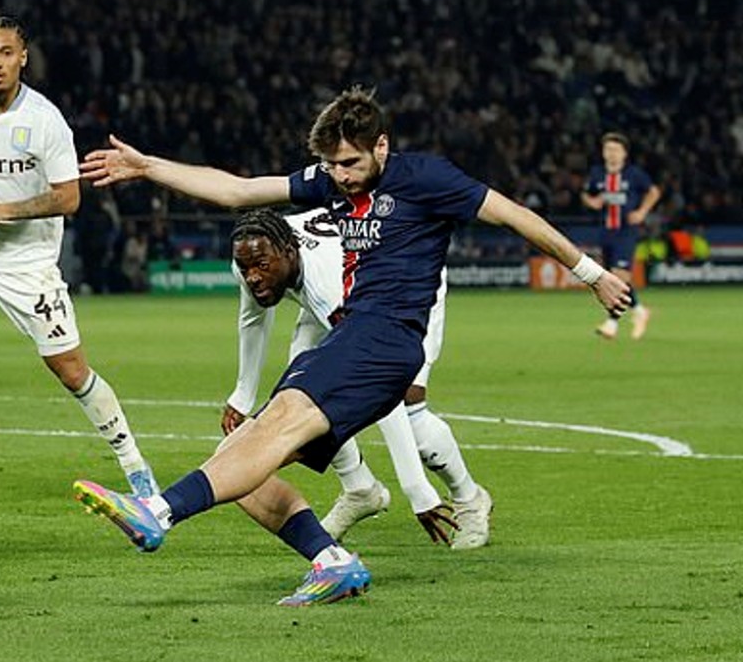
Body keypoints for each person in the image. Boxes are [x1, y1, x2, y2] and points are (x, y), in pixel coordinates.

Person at [73, 86, 631, 606]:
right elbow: (238, 191)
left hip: (386, 337)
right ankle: (330, 560)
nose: (339, 176)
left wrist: (592, 275)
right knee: (241, 458)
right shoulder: (329, 179)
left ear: (380, 146)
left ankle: (158, 512)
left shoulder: (426, 178)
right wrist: (147, 167)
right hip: (354, 335)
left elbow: (516, 216)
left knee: (275, 427)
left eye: (350, 163)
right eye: (332, 164)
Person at [0, 15, 158, 494]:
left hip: (29, 267)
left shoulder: (45, 120)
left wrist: (2, 210)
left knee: (72, 372)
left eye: (5, 53)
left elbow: (69, 197)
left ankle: (135, 467)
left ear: (23, 58)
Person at [224, 207, 492, 549]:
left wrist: (417, 489)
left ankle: (469, 499)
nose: (252, 277)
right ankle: (360, 488)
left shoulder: (323, 283)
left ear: (288, 252)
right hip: (348, 286)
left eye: (261, 267)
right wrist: (243, 394)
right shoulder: (252, 250)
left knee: (408, 401)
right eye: (246, 268)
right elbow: (253, 318)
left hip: (408, 283)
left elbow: (382, 384)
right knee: (302, 395)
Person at [580, 133, 661, 340]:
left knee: (619, 276)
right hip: (606, 231)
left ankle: (612, 323)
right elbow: (586, 193)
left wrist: (642, 212)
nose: (611, 154)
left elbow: (653, 192)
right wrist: (592, 202)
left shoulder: (634, 174)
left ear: (624, 153)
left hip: (626, 232)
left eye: (616, 150)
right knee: (611, 279)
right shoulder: (597, 173)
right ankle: (639, 310)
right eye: (608, 149)